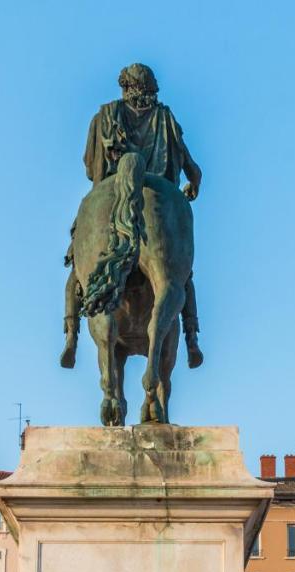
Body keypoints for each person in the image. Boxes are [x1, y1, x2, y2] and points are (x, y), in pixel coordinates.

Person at [62, 63, 204, 370]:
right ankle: (192, 338)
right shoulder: (165, 118)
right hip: (162, 198)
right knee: (182, 276)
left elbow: (90, 167)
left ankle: (70, 338)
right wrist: (192, 182)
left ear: (125, 88)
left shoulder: (104, 117)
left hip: (110, 197)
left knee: (78, 268)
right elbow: (190, 166)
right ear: (151, 91)